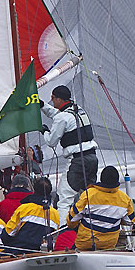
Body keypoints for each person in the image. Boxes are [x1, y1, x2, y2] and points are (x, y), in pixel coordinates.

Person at [40, 85, 98, 221]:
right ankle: (93, 226)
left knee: (63, 199)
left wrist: (44, 131)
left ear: (59, 99)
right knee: (89, 196)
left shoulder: (63, 117)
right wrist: (42, 106)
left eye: (53, 98)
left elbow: (51, 142)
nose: (52, 100)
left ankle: (64, 232)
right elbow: (59, 115)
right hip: (92, 159)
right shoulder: (79, 110)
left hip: (78, 161)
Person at [66, 166, 135, 250]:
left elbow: (72, 219)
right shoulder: (125, 199)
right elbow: (130, 221)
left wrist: (73, 226)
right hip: (109, 245)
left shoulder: (89, 194)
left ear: (101, 178)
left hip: (86, 244)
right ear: (117, 180)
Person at [1, 177, 60, 254]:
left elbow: (8, 234)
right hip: (42, 253)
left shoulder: (24, 209)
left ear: (34, 190)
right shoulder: (55, 214)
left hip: (19, 252)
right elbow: (54, 237)